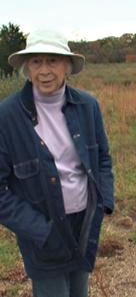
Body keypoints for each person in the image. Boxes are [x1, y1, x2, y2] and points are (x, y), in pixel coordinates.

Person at [0, 29, 114, 297]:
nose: (44, 70)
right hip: (42, 227)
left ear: (67, 66)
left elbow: (103, 159)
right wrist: (40, 230)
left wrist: (104, 203)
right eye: (36, 62)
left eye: (52, 60)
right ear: (27, 68)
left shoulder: (88, 106)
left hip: (83, 223)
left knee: (79, 292)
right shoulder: (7, 116)